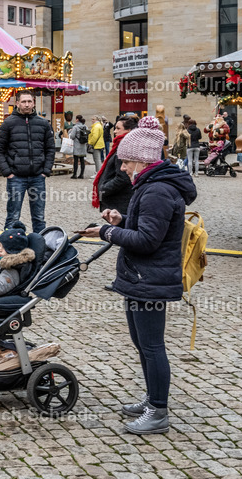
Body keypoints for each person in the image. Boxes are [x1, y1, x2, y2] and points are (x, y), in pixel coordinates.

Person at [78, 116, 197, 435]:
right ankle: (152, 397)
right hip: (141, 277)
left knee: (152, 345)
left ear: (142, 161)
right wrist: (122, 218)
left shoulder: (157, 190)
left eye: (126, 162)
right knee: (142, 342)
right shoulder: (151, 186)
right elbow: (146, 223)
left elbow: (147, 240)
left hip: (151, 279)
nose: (124, 169)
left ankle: (158, 410)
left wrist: (107, 232)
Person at [0, 90, 55, 231]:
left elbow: (50, 149)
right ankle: (8, 247)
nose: (27, 105)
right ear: (17, 103)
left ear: (33, 102)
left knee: (39, 217)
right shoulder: (8, 123)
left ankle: (40, 248)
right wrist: (7, 172)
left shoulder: (43, 124)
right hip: (16, 177)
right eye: (23, 101)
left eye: (29, 101)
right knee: (13, 216)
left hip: (38, 177)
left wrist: (46, 171)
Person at [92, 116, 139, 213]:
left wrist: (103, 189)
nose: (114, 131)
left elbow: (123, 178)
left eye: (118, 128)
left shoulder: (124, 147)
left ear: (129, 130)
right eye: (115, 128)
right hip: (118, 202)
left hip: (120, 203)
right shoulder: (120, 145)